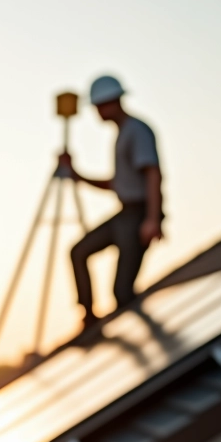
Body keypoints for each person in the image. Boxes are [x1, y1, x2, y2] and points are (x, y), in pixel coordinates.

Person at [59, 75, 164, 330]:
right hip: (125, 213)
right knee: (79, 252)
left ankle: (152, 337)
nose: (97, 112)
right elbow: (117, 184)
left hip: (138, 214)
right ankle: (88, 316)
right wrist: (77, 175)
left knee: (122, 293)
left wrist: (152, 218)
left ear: (112, 102)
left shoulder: (136, 131)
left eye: (99, 106)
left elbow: (152, 174)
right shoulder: (122, 135)